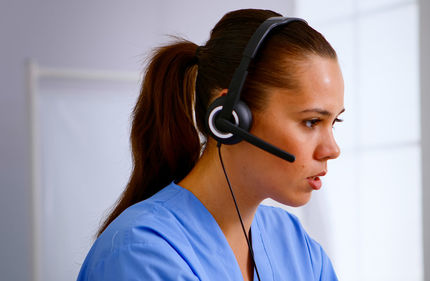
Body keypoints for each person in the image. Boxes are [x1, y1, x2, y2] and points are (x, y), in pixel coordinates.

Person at [77, 8, 344, 281]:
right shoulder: (141, 253)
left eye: (334, 122)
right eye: (311, 121)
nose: (332, 150)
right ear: (231, 117)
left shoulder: (295, 244)